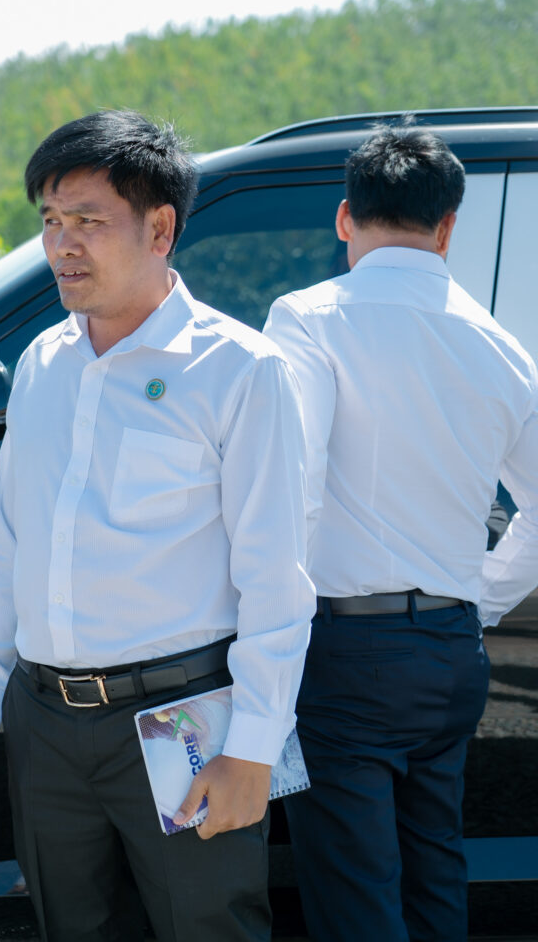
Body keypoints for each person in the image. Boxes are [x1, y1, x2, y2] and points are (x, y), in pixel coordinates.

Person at [0, 110, 315, 942]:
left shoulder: (240, 370)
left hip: (182, 718)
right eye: (50, 221)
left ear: (161, 228)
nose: (62, 245)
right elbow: (11, 543)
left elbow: (276, 579)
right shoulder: (42, 364)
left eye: (88, 221)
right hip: (45, 722)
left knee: (207, 928)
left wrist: (254, 748)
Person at [263, 119, 538, 942]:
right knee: (433, 873)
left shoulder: (309, 317)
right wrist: (476, 602)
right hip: (452, 653)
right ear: (448, 229)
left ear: (345, 218)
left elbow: (293, 487)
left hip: (346, 651)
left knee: (356, 893)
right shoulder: (501, 346)